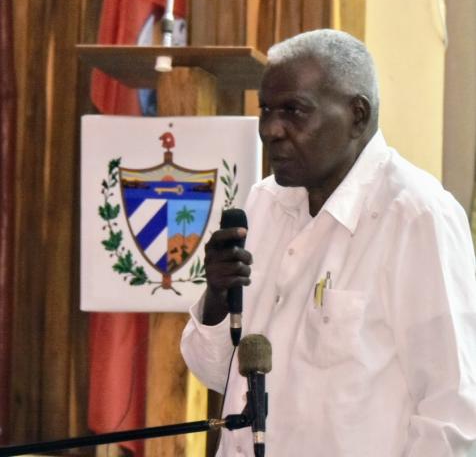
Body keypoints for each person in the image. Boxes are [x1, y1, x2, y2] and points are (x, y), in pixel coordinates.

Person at [181, 29, 476, 456]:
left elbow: (455, 412)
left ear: (357, 116)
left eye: (294, 111)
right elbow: (215, 375)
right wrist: (218, 299)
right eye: (266, 110)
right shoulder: (263, 204)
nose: (271, 130)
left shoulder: (416, 216)